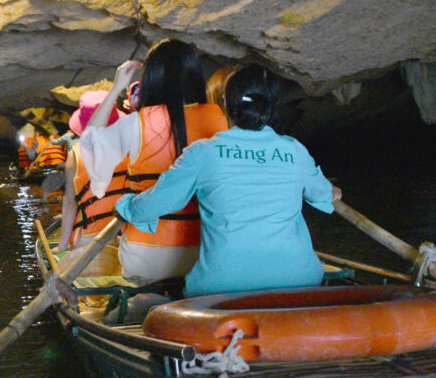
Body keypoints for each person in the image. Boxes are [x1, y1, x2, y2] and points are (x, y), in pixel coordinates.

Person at [114, 63, 341, 296]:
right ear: (271, 106)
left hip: (223, 285)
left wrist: (125, 205)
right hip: (298, 280)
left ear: (226, 105)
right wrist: (333, 191)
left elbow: (154, 205)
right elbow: (324, 194)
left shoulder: (202, 152)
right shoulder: (295, 151)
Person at [78, 38, 228, 283]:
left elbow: (90, 141)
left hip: (146, 260)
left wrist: (117, 88)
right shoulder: (221, 120)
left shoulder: (136, 122)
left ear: (152, 78)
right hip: (209, 255)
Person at [58, 90, 125, 251]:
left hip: (90, 241)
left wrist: (62, 247)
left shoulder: (76, 154)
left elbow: (69, 204)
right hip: (126, 237)